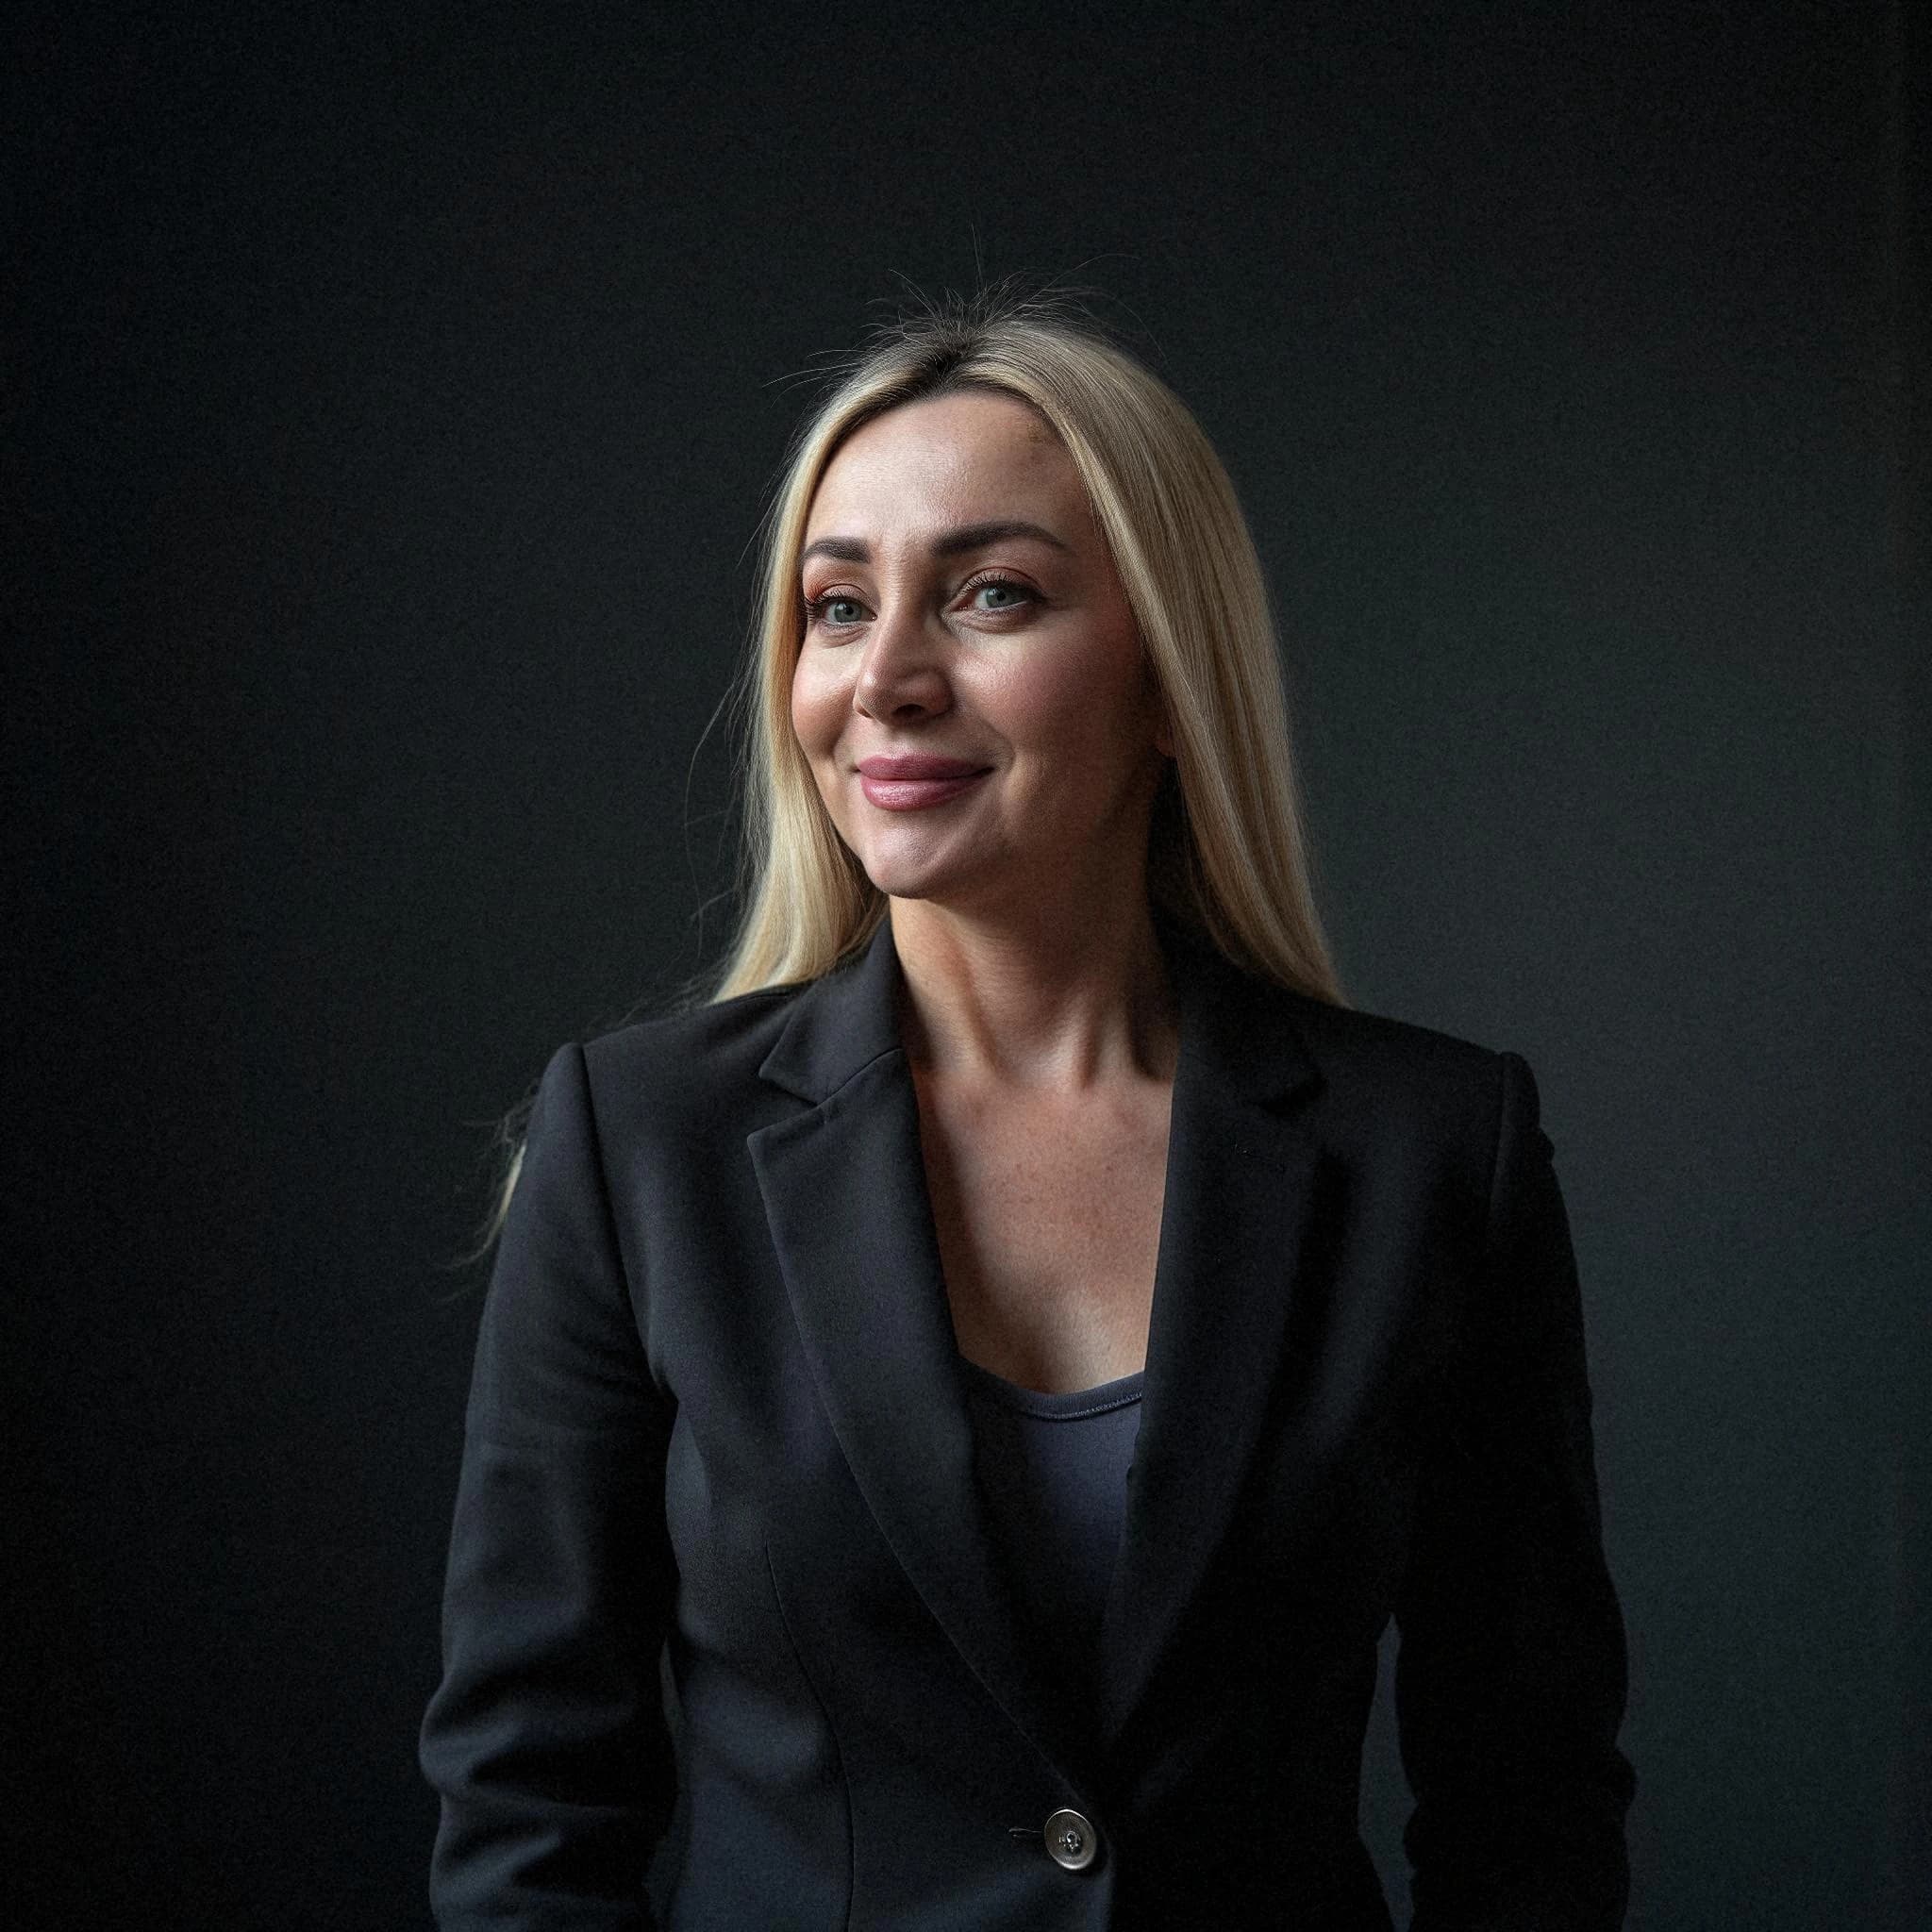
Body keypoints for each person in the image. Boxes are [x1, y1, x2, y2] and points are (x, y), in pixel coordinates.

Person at [418, 288, 1636, 1930]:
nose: (887, 679)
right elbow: (530, 1814)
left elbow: (1528, 1802)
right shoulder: (636, 1149)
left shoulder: (1432, 1156)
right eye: (837, 607)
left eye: (992, 595)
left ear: (1168, 678)